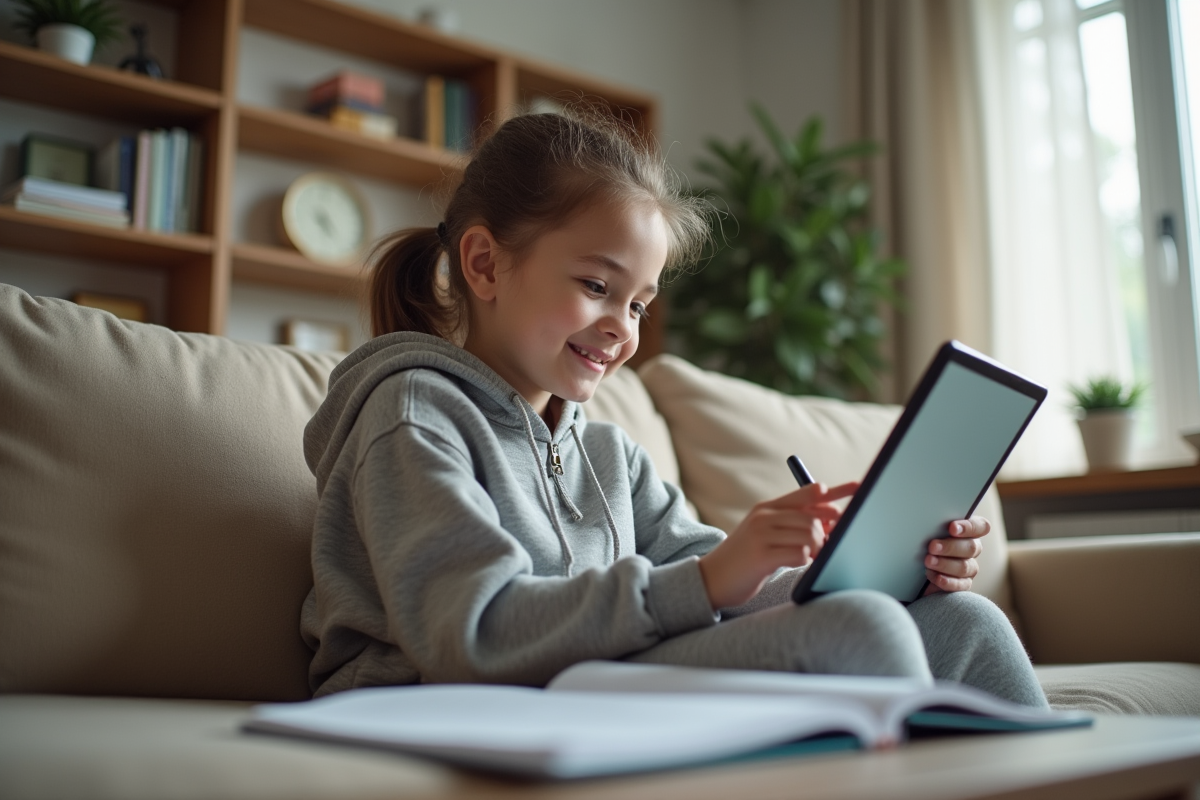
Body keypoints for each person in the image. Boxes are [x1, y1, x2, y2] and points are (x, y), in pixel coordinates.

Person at [300, 110, 1048, 709]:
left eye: (639, 302)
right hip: (442, 702)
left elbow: (707, 581)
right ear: (486, 264)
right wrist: (717, 578)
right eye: (597, 286)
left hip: (582, 677)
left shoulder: (607, 454)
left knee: (962, 623)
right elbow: (470, 635)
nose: (623, 327)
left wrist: (879, 569)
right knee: (859, 634)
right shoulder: (412, 414)